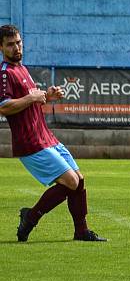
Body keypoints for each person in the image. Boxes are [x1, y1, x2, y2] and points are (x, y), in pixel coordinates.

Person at [0, 25, 106, 242]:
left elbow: (30, 103)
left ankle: (81, 231)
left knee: (79, 179)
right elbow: (4, 107)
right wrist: (32, 98)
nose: (16, 47)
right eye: (10, 44)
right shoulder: (5, 74)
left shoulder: (22, 69)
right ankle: (30, 217)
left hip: (46, 138)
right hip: (30, 142)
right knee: (71, 182)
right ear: (1, 47)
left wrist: (47, 96)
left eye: (18, 42)